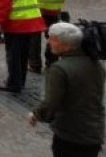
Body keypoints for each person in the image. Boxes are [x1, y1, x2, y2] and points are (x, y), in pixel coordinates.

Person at [28, 22, 105, 157]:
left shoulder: (60, 69)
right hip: (93, 131)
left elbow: (51, 103)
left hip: (70, 132)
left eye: (53, 39)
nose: (49, 43)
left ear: (67, 45)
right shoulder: (96, 65)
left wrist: (36, 115)